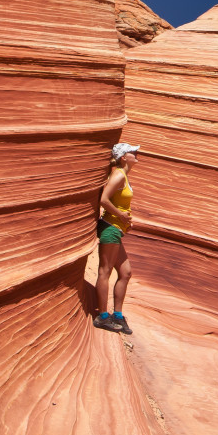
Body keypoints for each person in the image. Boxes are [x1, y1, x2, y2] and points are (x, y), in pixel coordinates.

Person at [94, 143, 140, 333]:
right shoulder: (119, 174)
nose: (136, 154)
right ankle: (103, 316)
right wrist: (121, 216)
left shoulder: (124, 175)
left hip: (116, 229)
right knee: (105, 271)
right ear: (123, 157)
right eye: (132, 152)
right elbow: (104, 199)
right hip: (110, 229)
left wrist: (125, 220)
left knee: (126, 273)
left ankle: (118, 316)